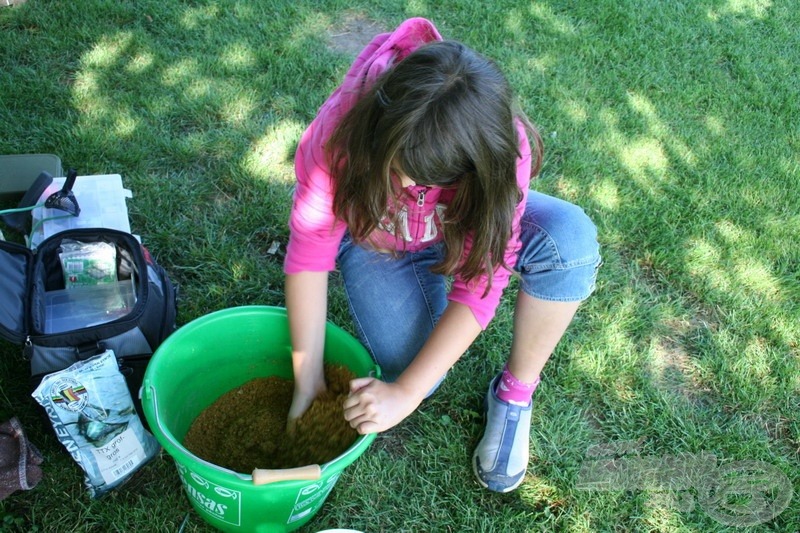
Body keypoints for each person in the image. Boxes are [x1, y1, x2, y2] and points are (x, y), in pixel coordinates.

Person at [283, 17, 600, 493]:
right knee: (416, 363)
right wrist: (307, 382)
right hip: (379, 240)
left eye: (427, 182)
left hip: (455, 230)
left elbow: (483, 282)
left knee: (570, 241)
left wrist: (405, 393)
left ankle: (514, 395)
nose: (408, 188)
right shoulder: (343, 132)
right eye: (397, 172)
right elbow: (309, 253)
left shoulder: (499, 154)